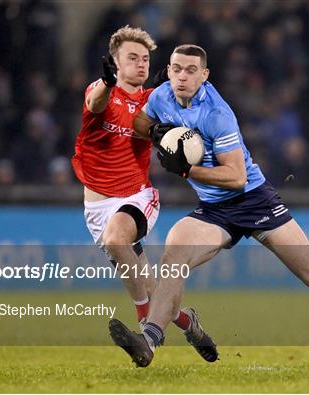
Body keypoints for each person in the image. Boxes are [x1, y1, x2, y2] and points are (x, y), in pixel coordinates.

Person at [109, 44, 309, 368]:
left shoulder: (216, 115)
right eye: (176, 68)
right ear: (168, 71)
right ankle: (149, 341)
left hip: (254, 201)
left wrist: (187, 169)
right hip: (214, 210)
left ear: (204, 75)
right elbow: (139, 122)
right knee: (174, 256)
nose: (182, 76)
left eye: (191, 70)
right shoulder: (162, 95)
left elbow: (235, 177)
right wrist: (154, 132)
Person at [71, 29, 217, 363]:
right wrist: (108, 83)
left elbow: (188, 118)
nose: (140, 64)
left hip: (136, 197)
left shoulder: (155, 100)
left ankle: (143, 323)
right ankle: (188, 322)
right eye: (132, 58)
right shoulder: (100, 90)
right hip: (96, 207)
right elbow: (96, 102)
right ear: (116, 63)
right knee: (155, 292)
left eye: (145, 59)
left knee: (116, 237)